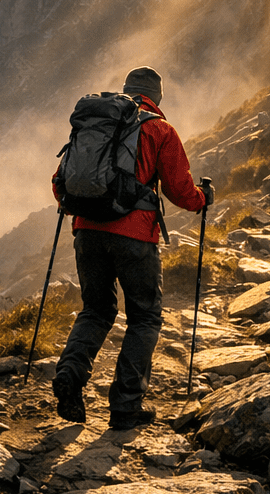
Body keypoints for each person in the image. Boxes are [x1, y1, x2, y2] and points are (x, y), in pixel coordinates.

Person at [51, 66, 213, 430]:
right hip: (134, 237)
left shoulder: (95, 124)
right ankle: (125, 406)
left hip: (86, 230)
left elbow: (60, 181)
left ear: (127, 90)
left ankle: (71, 376)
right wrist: (204, 198)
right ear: (157, 97)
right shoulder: (160, 129)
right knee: (144, 317)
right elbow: (180, 190)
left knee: (96, 309)